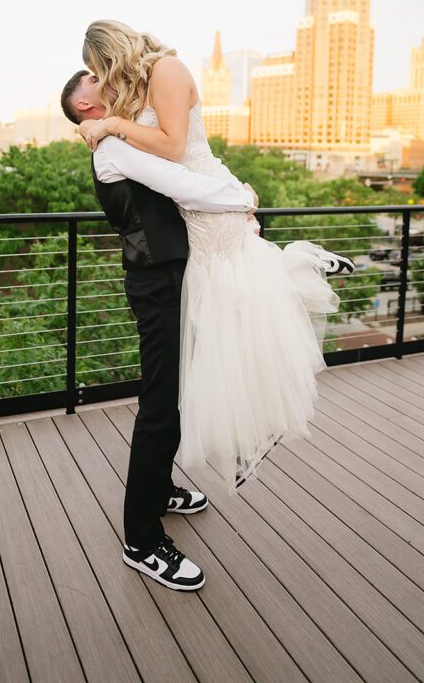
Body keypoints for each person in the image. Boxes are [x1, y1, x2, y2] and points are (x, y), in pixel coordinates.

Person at [61, 68, 262, 591]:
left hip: (173, 277)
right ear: (85, 108)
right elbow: (183, 185)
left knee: (174, 397)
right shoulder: (112, 150)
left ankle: (160, 489)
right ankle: (141, 540)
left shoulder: (121, 137)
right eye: (95, 84)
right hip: (156, 287)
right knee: (159, 405)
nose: (106, 84)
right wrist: (241, 199)